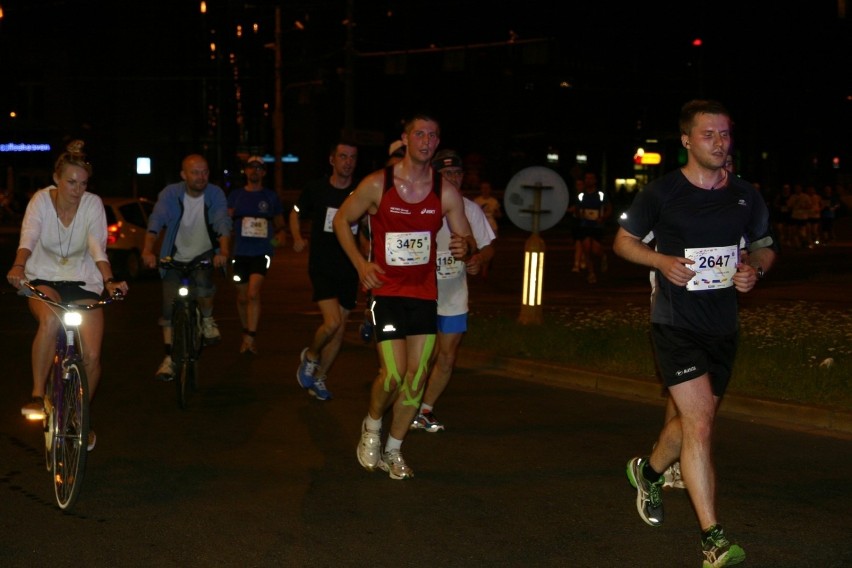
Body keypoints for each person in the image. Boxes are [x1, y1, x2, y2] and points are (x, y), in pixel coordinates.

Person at [613, 99, 777, 568]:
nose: (720, 143)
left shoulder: (746, 195)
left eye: (725, 134)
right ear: (686, 140)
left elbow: (764, 247)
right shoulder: (661, 193)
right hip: (674, 323)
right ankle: (713, 538)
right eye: (709, 135)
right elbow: (622, 242)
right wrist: (661, 261)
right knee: (701, 423)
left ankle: (647, 471)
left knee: (689, 423)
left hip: (722, 325)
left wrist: (754, 273)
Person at [332, 114, 475, 480]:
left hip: (425, 294)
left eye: (433, 135)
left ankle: (394, 449)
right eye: (420, 134)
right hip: (387, 292)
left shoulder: (445, 191)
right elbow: (341, 221)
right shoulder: (378, 184)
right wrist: (361, 266)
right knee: (393, 375)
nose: (426, 140)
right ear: (406, 139)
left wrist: (464, 246)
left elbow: (465, 238)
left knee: (417, 376)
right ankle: (372, 426)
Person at [6, 140, 129, 452]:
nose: (77, 189)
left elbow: (97, 246)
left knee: (92, 355)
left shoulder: (92, 204)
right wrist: (19, 266)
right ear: (57, 179)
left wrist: (110, 280)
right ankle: (37, 395)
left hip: (83, 281)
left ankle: (79, 415)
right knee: (49, 322)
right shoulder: (40, 202)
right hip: (44, 278)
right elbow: (29, 236)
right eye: (71, 182)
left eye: (83, 183)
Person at [410, 149, 495, 433]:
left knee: (447, 356)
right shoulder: (420, 206)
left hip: (454, 296)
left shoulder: (470, 209)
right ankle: (407, 403)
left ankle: (425, 410)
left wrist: (477, 260)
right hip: (421, 294)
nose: (454, 179)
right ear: (434, 175)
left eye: (457, 173)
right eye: (447, 174)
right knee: (423, 356)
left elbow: (488, 247)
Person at [142, 154, 232, 381]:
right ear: (184, 175)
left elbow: (222, 221)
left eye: (204, 172)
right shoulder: (170, 194)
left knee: (203, 286)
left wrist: (223, 251)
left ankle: (208, 319)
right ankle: (169, 359)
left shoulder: (215, 194)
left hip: (203, 253)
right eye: (195, 172)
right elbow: (156, 221)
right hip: (174, 255)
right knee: (168, 308)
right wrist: (147, 250)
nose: (201, 177)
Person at [291, 140, 361, 400]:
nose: (348, 162)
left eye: (352, 157)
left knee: (340, 329)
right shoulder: (316, 189)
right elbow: (295, 212)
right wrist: (297, 236)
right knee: (331, 323)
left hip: (350, 267)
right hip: (321, 265)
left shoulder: (360, 191)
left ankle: (320, 378)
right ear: (332, 159)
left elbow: (367, 226)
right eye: (343, 156)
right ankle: (310, 355)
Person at [227, 155, 287, 355]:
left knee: (253, 293)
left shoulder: (270, 197)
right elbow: (225, 224)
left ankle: (250, 337)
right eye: (251, 167)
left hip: (262, 252)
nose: (254, 171)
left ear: (264, 172)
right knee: (242, 297)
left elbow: (280, 226)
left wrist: (276, 240)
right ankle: (246, 332)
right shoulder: (235, 196)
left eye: (258, 168)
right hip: (240, 252)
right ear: (245, 171)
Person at [574, 171, 612, 284]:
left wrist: (603, 217)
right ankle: (591, 273)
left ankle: (603, 256)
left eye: (591, 178)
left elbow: (609, 208)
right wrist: (580, 215)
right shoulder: (581, 195)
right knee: (586, 248)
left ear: (595, 180)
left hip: (597, 226)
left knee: (595, 249)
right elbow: (576, 208)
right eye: (586, 178)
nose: (588, 180)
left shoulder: (600, 195)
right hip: (584, 225)